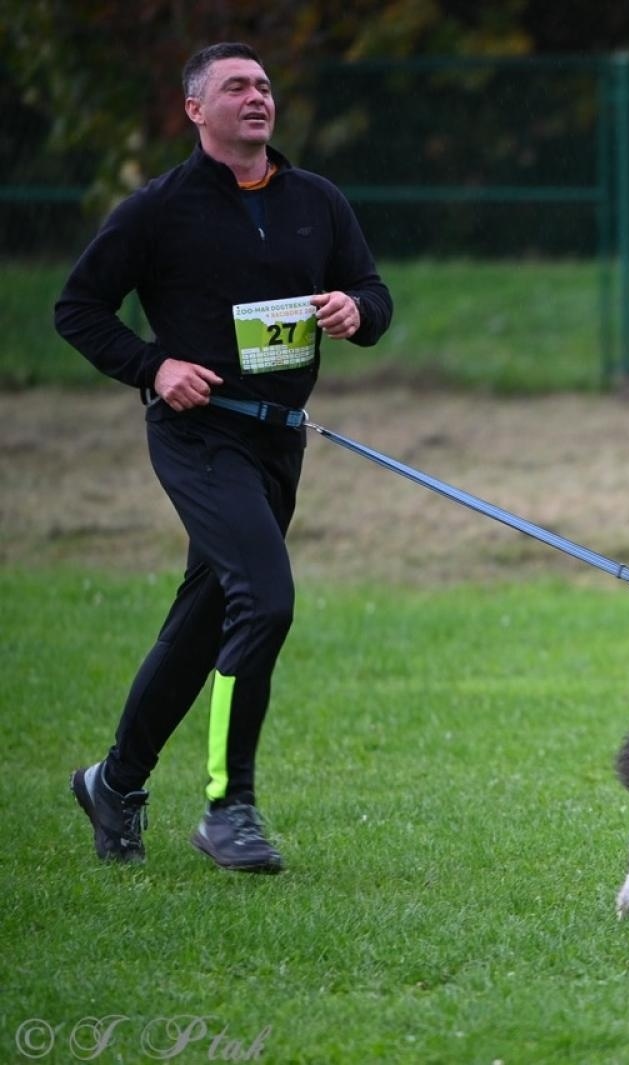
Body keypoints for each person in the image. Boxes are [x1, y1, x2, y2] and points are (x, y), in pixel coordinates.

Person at [56, 42, 393, 872]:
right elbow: (79, 307)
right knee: (265, 599)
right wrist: (153, 365)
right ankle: (228, 807)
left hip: (279, 439)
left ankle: (115, 782)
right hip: (201, 436)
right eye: (236, 86)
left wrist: (357, 309)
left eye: (265, 86)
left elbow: (375, 294)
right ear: (196, 110)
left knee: (205, 620)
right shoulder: (157, 209)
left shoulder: (317, 200)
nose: (257, 97)